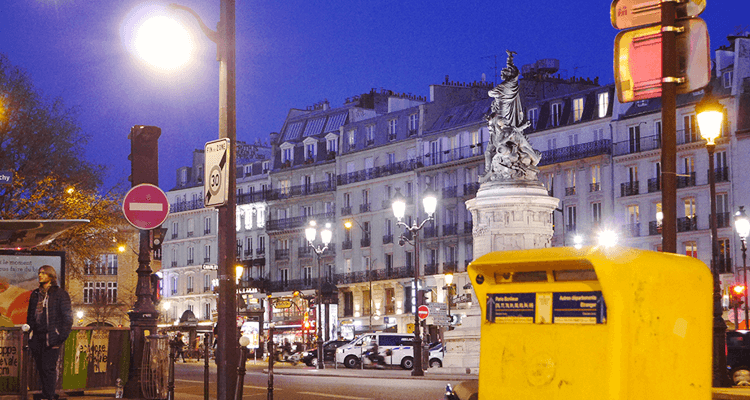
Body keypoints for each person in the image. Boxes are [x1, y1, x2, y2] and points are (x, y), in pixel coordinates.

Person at [26, 265, 72, 400]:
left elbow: (68, 318)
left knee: (49, 368)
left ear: (51, 276)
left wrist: (60, 337)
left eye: (43, 273)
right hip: (37, 337)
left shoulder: (60, 294)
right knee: (40, 368)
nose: (40, 275)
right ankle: (46, 394)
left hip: (52, 336)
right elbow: (30, 316)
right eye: (39, 273)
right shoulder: (35, 294)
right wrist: (29, 333)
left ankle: (49, 395)